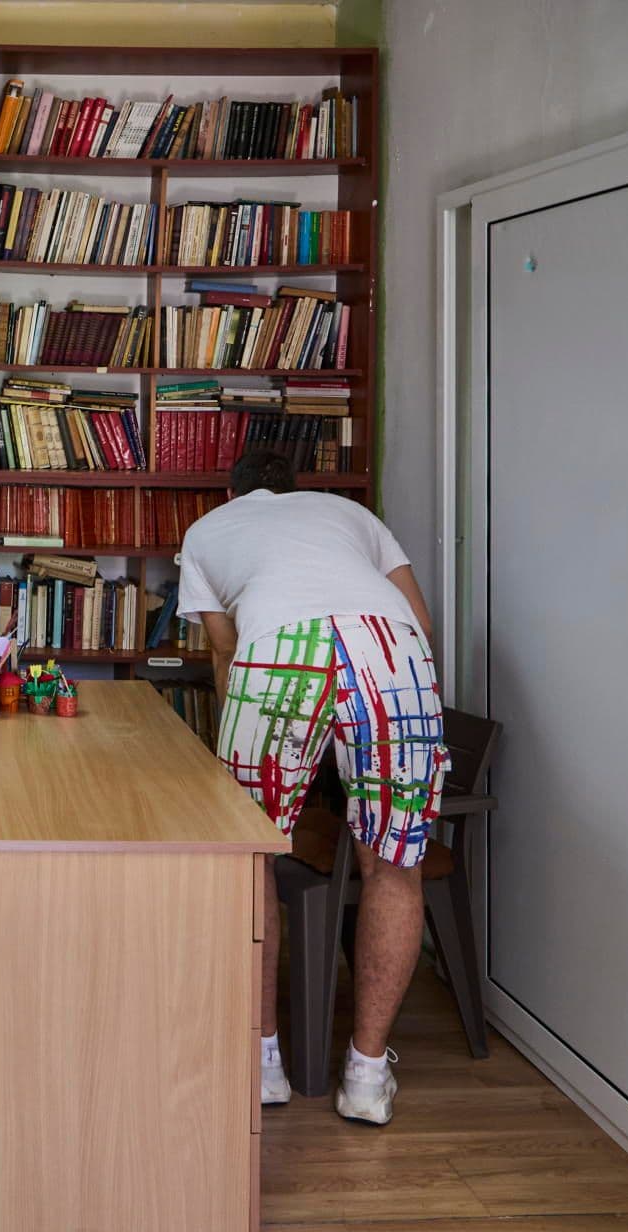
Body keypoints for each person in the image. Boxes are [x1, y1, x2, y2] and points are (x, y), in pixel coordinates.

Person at [176, 448, 448, 1125]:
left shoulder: (208, 532)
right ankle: (364, 1072)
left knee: (252, 858)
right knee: (393, 863)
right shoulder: (352, 513)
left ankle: (261, 1059)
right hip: (391, 646)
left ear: (234, 493)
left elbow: (224, 651)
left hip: (279, 648)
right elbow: (422, 623)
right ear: (295, 488)